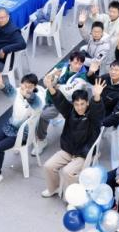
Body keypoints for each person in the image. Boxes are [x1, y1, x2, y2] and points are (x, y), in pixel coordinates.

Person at [40, 70, 104, 199]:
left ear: (87, 103)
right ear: (73, 104)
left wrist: (97, 96)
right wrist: (50, 87)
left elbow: (98, 110)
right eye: (76, 104)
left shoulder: (93, 115)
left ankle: (74, 197)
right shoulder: (70, 112)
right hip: (69, 150)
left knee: (67, 172)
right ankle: (54, 188)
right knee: (48, 166)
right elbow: (60, 101)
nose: (79, 107)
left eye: (82, 104)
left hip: (83, 154)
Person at [0, 74, 43, 190]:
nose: (26, 88)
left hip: (23, 134)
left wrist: (28, 95)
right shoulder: (18, 92)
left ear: (34, 87)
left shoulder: (37, 99)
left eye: (30, 86)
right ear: (21, 84)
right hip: (9, 127)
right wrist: (1, 84)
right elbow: (9, 90)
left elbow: (38, 105)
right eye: (24, 85)